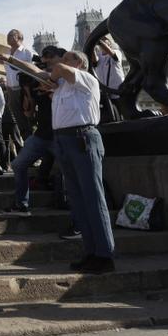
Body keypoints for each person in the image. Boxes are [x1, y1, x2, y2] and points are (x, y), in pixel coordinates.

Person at [49, 50, 116, 273]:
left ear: (79, 62)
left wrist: (51, 71)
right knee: (77, 200)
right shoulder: (62, 87)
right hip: (64, 140)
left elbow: (56, 70)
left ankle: (105, 254)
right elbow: (40, 71)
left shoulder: (85, 78)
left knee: (93, 198)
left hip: (82, 138)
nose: (61, 61)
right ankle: (91, 251)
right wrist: (10, 60)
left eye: (67, 58)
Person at [3, 48, 64, 216]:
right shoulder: (34, 86)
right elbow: (28, 113)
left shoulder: (61, 83)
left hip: (59, 135)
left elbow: (38, 71)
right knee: (18, 164)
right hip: (41, 135)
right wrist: (29, 94)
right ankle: (21, 204)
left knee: (69, 170)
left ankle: (72, 208)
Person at [4, 29, 35, 142]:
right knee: (19, 120)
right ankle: (27, 143)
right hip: (11, 90)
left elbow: (32, 71)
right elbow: (8, 73)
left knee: (28, 119)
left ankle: (34, 146)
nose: (7, 36)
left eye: (11, 35)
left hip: (24, 90)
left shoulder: (27, 53)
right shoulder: (6, 53)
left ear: (18, 37)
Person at [94, 37, 125, 123]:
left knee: (120, 115)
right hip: (104, 93)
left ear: (110, 44)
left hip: (116, 92)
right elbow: (94, 61)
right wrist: (92, 44)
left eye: (105, 40)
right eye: (101, 41)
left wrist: (98, 41)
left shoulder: (117, 52)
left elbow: (112, 54)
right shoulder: (99, 57)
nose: (103, 42)